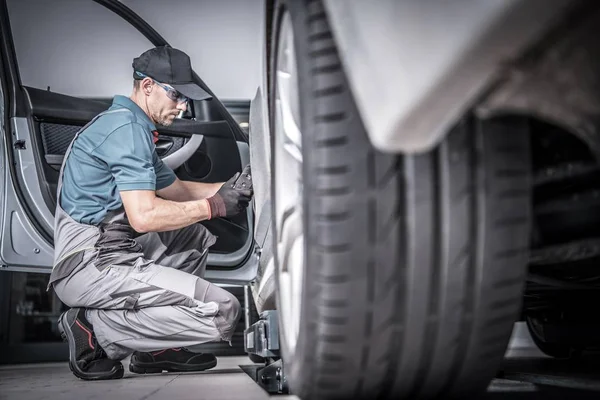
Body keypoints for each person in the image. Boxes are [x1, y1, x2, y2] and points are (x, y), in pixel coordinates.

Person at [49, 46, 253, 381]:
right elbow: (144, 217)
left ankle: (156, 350)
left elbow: (178, 191)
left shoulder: (131, 126)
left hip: (110, 252)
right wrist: (215, 206)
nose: (183, 106)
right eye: (176, 96)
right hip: (92, 263)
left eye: (186, 99)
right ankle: (93, 329)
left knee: (192, 233)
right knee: (224, 311)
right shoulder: (126, 130)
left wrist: (233, 187)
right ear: (147, 87)